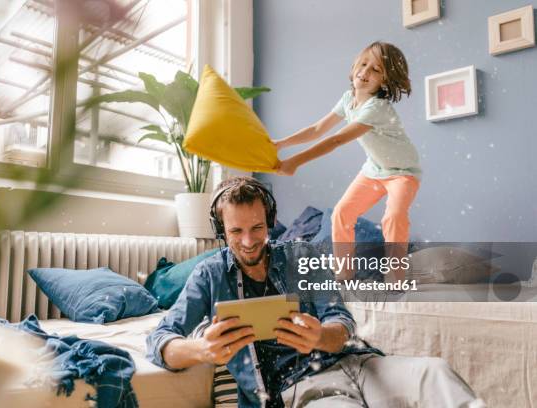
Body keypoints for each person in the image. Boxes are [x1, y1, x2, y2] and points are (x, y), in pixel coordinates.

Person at [146, 176, 483, 408]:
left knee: (435, 371)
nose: (248, 241)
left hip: (361, 364)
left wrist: (319, 336)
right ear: (221, 229)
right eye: (236, 231)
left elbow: (341, 320)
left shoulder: (301, 255)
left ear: (270, 221)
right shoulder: (209, 274)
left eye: (257, 228)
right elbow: (162, 338)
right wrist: (202, 349)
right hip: (306, 386)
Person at [275, 41, 421, 282]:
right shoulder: (348, 99)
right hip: (374, 170)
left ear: (385, 81)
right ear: (355, 65)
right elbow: (317, 129)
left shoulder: (377, 108)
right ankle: (344, 274)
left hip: (403, 173)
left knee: (394, 216)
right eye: (363, 64)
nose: (365, 72)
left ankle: (396, 277)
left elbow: (337, 140)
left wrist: (294, 162)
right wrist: (281, 143)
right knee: (342, 213)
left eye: (375, 70)